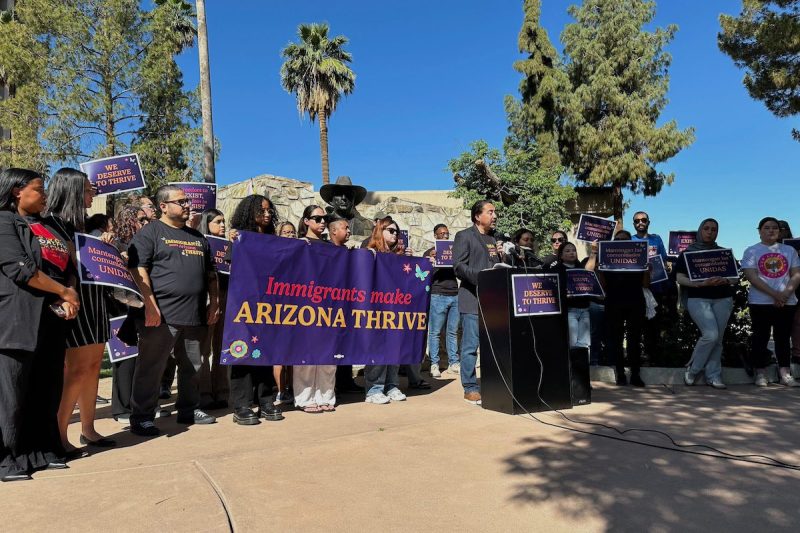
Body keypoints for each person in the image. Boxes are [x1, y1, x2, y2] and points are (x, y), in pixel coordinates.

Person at [0, 168, 81, 481]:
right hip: (17, 318)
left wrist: (69, 295)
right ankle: (8, 458)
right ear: (17, 191)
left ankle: (43, 451)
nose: (45, 194)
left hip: (52, 318)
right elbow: (21, 269)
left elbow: (69, 265)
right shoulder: (5, 222)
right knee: (12, 391)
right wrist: (63, 291)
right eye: (38, 188)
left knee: (46, 387)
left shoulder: (50, 225)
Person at [126, 185, 221, 436]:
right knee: (151, 367)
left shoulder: (198, 238)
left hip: (195, 314)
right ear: (164, 206)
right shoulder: (150, 233)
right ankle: (142, 416)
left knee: (193, 365)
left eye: (187, 200)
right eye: (180, 201)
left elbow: (211, 274)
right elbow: (138, 269)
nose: (187, 204)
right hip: (162, 316)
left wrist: (215, 302)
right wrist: (150, 305)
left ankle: (189, 409)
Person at [45, 168, 116, 452]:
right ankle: (59, 435)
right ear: (72, 191)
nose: (92, 195)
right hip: (75, 303)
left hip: (96, 301)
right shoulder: (50, 224)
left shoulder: (82, 226)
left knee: (94, 367)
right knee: (76, 370)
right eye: (88, 190)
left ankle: (89, 429)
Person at [226, 195, 285, 424]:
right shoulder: (240, 239)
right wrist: (234, 240)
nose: (267, 214)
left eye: (270, 210)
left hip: (269, 305)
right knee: (241, 353)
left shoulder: (274, 241)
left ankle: (266, 400)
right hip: (244, 305)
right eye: (262, 211)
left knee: (265, 353)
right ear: (249, 213)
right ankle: (241, 405)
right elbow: (234, 268)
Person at [675, 219, 736, 389]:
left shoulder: (723, 253)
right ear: (700, 230)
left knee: (718, 340)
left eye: (714, 229)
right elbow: (679, 278)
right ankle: (693, 370)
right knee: (710, 335)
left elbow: (735, 278)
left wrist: (724, 279)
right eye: (706, 228)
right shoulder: (688, 253)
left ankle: (714, 376)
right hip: (697, 298)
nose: (710, 232)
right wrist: (699, 284)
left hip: (723, 298)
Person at [741, 217, 800, 387]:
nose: (771, 230)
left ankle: (785, 373)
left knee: (783, 338)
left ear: (779, 231)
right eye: (767, 228)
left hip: (786, 302)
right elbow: (751, 276)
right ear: (759, 231)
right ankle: (760, 372)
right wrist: (775, 294)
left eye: (775, 228)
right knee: (761, 337)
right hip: (760, 301)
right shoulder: (752, 251)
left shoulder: (789, 251)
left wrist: (785, 294)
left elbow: (796, 274)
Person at [453, 200, 500, 405]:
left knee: (492, 345)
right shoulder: (464, 236)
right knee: (470, 346)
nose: (495, 215)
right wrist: (482, 277)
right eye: (490, 212)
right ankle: (470, 387)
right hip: (472, 298)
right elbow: (459, 266)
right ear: (477, 216)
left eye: (495, 212)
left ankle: (493, 384)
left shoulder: (493, 239)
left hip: (494, 301)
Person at [293, 206, 337, 413]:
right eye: (317, 218)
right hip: (305, 305)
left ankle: (326, 395)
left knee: (328, 355)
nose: (321, 222)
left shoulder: (331, 248)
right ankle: (304, 397)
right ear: (306, 221)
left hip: (329, 305)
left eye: (324, 218)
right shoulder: (298, 245)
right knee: (305, 353)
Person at [109, 205, 149, 423]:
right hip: (122, 309)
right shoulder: (116, 244)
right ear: (128, 221)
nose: (144, 224)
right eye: (140, 220)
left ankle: (138, 406)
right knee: (125, 360)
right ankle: (121, 408)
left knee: (142, 360)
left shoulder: (143, 244)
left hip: (141, 307)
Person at [363, 217, 409, 404]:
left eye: (397, 231)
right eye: (390, 230)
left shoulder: (398, 257)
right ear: (380, 231)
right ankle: (374, 389)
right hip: (375, 308)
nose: (395, 234)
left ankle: (391, 385)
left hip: (395, 308)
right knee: (377, 348)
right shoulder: (369, 253)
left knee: (394, 347)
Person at [597, 230, 649, 387]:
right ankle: (620, 373)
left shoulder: (639, 256)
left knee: (634, 340)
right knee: (616, 340)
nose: (621, 242)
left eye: (625, 240)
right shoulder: (607, 257)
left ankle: (635, 374)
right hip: (614, 302)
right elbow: (603, 285)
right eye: (618, 239)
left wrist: (646, 269)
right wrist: (600, 268)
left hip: (635, 302)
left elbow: (646, 284)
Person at [197, 209, 231, 410]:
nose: (223, 225)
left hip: (227, 297)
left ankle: (222, 392)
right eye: (218, 221)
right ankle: (203, 393)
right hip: (207, 299)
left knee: (222, 347)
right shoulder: (200, 243)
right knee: (203, 349)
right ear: (206, 224)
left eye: (224, 221)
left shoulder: (229, 246)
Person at [631, 211, 671, 364]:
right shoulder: (630, 239)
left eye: (643, 220)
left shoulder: (656, 239)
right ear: (634, 224)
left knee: (653, 326)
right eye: (637, 221)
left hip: (656, 288)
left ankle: (652, 357)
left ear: (648, 221)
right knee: (636, 326)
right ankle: (635, 357)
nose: (640, 222)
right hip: (637, 289)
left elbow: (663, 260)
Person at [328, 218, 363, 393]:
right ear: (333, 231)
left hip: (347, 304)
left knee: (346, 343)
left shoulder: (349, 251)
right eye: (345, 228)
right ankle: (330, 385)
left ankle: (345, 381)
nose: (349, 231)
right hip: (328, 305)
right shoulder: (324, 249)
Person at [423, 224, 460, 378]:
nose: (445, 236)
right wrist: (431, 260)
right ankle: (434, 364)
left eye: (446, 233)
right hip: (437, 294)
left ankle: (454, 362)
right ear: (435, 235)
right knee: (435, 333)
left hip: (454, 294)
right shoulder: (430, 252)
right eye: (441, 233)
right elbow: (424, 274)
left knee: (452, 332)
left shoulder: (454, 251)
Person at [554, 241, 597, 350]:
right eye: (567, 251)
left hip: (585, 309)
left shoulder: (581, 267)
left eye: (573, 250)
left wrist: (594, 251)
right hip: (569, 311)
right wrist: (565, 295)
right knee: (572, 344)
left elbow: (589, 275)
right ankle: (572, 367)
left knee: (585, 344)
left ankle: (583, 367)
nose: (572, 253)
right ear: (561, 255)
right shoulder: (556, 270)